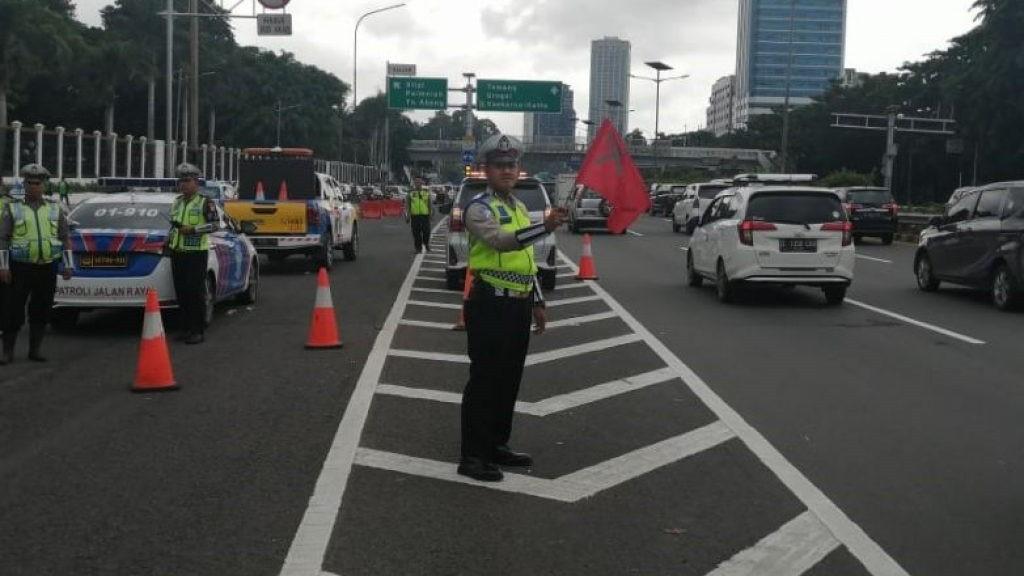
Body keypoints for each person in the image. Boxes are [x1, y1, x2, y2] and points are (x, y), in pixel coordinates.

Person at [458, 134, 567, 482]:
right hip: (490, 302)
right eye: (499, 165)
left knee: (509, 381)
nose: (507, 171)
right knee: (485, 381)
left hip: (518, 303)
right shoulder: (479, 208)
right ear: (485, 169)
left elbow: (526, 260)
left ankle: (496, 446)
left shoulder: (519, 208)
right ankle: (473, 456)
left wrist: (537, 301)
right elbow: (501, 243)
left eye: (512, 165)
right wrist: (544, 227)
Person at [0, 164, 74, 364]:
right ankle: (7, 352)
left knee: (42, 308)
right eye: (30, 183)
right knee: (12, 309)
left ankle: (35, 350)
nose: (34, 187)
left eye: (38, 183)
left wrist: (68, 265)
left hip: (47, 266)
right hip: (20, 266)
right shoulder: (12, 208)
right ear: (24, 184)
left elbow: (65, 237)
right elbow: (4, 239)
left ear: (44, 185)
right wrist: (3, 266)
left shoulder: (54, 208)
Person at [168, 163, 218, 345]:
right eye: (181, 181)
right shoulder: (177, 202)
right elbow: (174, 225)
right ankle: (186, 328)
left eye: (187, 180)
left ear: (196, 182)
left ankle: (198, 330)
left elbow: (214, 225)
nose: (183, 184)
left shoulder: (205, 202)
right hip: (178, 252)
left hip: (196, 254)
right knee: (181, 291)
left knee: (194, 292)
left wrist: (194, 230)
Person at [406, 176, 433, 254]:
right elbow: (407, 205)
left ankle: (426, 243)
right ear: (414, 183)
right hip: (415, 216)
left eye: (419, 182)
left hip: (425, 215)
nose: (418, 183)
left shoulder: (426, 192)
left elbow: (429, 204)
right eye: (416, 182)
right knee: (416, 233)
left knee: (426, 231)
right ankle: (418, 248)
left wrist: (431, 214)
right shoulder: (410, 192)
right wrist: (407, 215)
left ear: (422, 183)